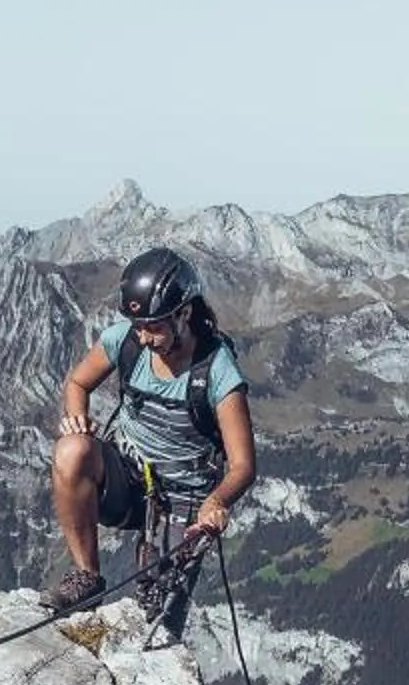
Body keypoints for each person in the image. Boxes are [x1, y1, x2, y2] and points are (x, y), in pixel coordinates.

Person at [39, 246, 256, 613]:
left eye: (153, 327)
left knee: (157, 611)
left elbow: (243, 466)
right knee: (71, 450)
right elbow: (77, 384)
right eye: (139, 326)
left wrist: (216, 502)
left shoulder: (218, 371)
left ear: (184, 313)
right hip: (127, 475)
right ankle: (86, 578)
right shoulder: (124, 340)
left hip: (184, 496)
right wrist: (76, 418)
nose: (143, 337)